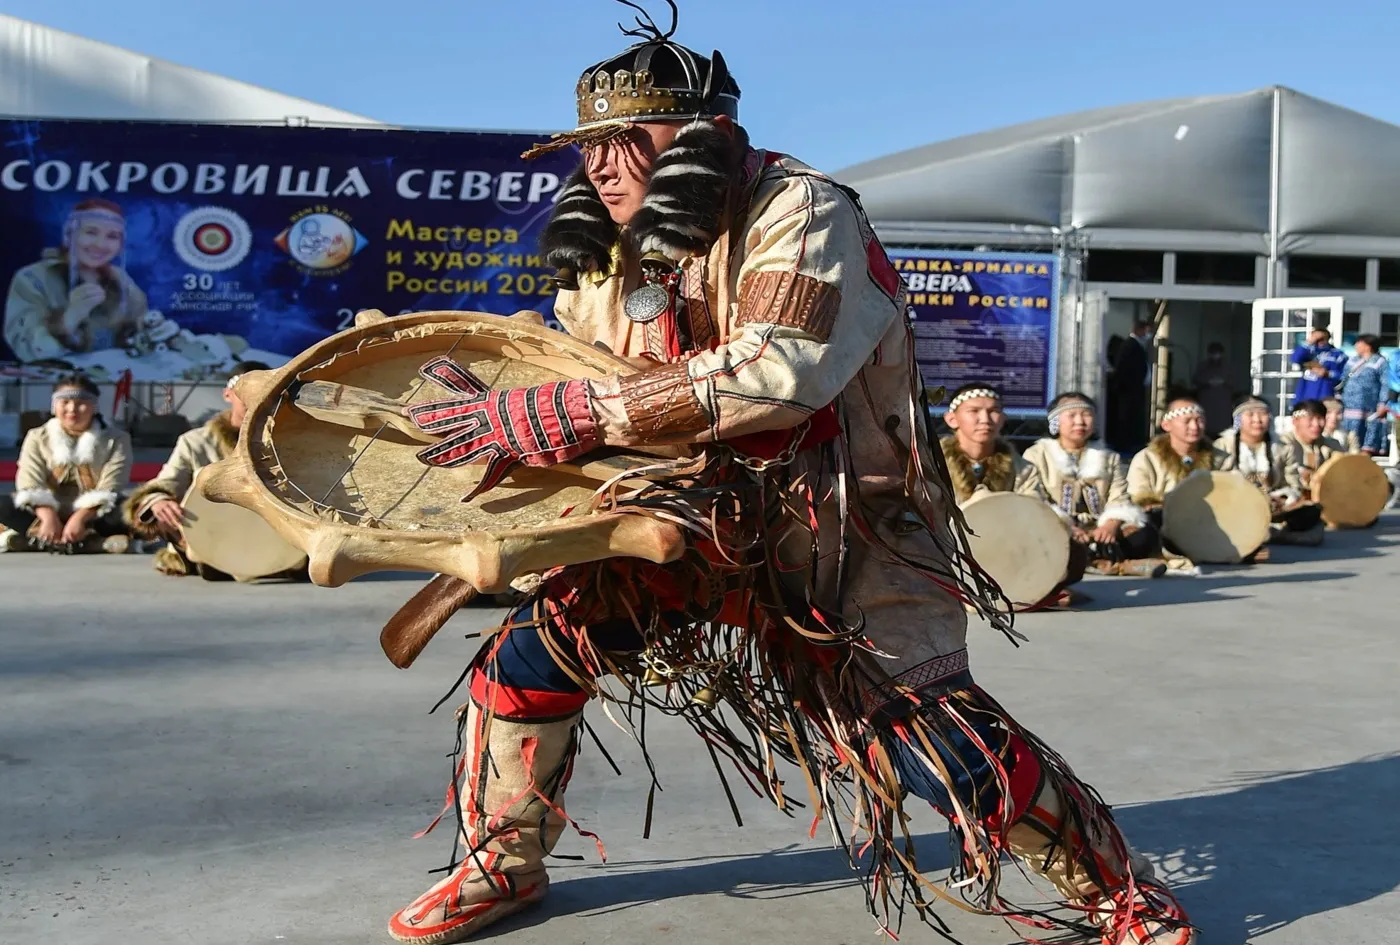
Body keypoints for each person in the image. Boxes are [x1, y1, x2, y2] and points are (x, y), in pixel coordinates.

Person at [381, 9, 1194, 945]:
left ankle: (1117, 891)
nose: (601, 165)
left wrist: (561, 414)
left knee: (934, 743)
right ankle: (502, 862)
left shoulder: (803, 211)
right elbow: (578, 370)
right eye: (588, 147)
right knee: (525, 662)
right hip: (680, 523)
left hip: (837, 540)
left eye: (623, 140)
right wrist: (491, 402)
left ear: (702, 138)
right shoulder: (619, 249)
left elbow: (780, 371)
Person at [938, 383, 1087, 607]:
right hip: (948, 547)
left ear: (1003, 419)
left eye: (993, 411)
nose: (985, 419)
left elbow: (1033, 512)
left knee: (1074, 553)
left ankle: (1024, 590)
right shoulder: (931, 461)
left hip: (1007, 548)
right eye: (974, 411)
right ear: (952, 419)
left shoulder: (1023, 467)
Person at [124, 361, 273, 576]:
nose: (254, 399)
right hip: (211, 539)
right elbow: (164, 483)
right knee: (164, 509)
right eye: (245, 391)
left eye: (262, 391)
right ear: (228, 394)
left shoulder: (291, 443)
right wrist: (158, 501)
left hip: (272, 541)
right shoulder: (195, 442)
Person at [1021, 392, 1166, 577]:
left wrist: (1111, 524)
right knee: (1045, 539)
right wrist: (1066, 526)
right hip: (1058, 527)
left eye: (1086, 415)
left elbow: (1119, 497)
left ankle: (1092, 560)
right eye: (1072, 416)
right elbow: (1035, 497)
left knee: (1144, 535)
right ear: (1056, 422)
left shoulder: (1109, 457)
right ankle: (1116, 565)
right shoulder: (1036, 455)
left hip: (1098, 529)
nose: (1080, 422)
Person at [0, 374, 134, 554]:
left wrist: (80, 518)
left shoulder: (117, 439)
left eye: (81, 403)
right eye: (64, 402)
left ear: (94, 407)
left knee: (130, 510)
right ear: (54, 406)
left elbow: (111, 485)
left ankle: (37, 541)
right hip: (44, 513)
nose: (72, 409)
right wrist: (47, 515)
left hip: (94, 514)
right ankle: (89, 542)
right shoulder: (37, 436)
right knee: (2, 505)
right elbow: (29, 481)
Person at [2, 199, 149, 362]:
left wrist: (152, 332)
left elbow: (140, 330)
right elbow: (24, 348)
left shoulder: (121, 279)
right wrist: (69, 318)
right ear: (69, 235)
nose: (100, 244)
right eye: (91, 232)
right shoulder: (33, 278)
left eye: (112, 236)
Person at [1212, 396, 1323, 546]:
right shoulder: (1222, 446)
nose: (1257, 420)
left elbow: (1293, 484)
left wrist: (1283, 498)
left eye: (1263, 414)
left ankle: (1270, 533)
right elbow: (1213, 483)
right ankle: (1271, 535)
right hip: (1235, 509)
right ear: (1238, 420)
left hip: (1271, 509)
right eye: (1250, 415)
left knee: (1313, 516)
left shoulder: (1282, 448)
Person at [1276, 398, 1345, 498]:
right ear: (1295, 421)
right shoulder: (1283, 444)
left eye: (1320, 418)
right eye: (1311, 419)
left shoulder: (1332, 445)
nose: (1316, 424)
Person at [1337, 335, 1389, 455]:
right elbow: (1343, 379)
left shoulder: (1380, 362)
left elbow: (1385, 384)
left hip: (1369, 405)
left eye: (1359, 343)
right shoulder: (1352, 361)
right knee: (1349, 435)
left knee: (1367, 434)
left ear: (1367, 346)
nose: (1356, 346)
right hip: (1349, 404)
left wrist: (1383, 403)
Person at [1109, 318, 1154, 453]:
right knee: (1126, 417)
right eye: (1146, 331)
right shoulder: (1129, 345)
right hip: (1129, 390)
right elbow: (1123, 368)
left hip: (1134, 389)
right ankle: (1125, 445)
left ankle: (1130, 443)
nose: (1148, 334)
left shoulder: (1137, 345)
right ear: (1139, 330)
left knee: (1132, 417)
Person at [1289, 327, 1346, 406]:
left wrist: (1328, 374)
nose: (1319, 341)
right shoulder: (1308, 351)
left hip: (1326, 395)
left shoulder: (1337, 354)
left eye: (1322, 338)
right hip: (1306, 394)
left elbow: (1345, 375)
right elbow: (1295, 359)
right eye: (1316, 338)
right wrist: (1309, 342)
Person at [1190, 341, 1233, 423]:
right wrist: (1208, 382)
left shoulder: (1228, 366)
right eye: (1213, 353)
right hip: (1207, 401)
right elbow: (1195, 380)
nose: (1216, 355)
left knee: (1222, 424)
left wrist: (1223, 382)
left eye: (1218, 353)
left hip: (1223, 401)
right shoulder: (1202, 366)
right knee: (1206, 422)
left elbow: (1235, 382)